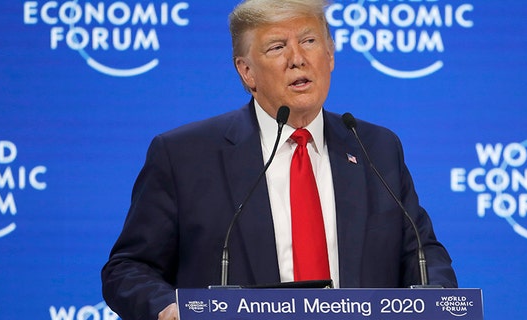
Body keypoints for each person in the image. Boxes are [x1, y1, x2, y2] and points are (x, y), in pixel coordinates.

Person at [101, 0, 458, 319]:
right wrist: (167, 308)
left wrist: (438, 300)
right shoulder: (184, 155)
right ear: (247, 72)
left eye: (309, 41)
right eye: (277, 47)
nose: (297, 58)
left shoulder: (375, 147)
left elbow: (422, 254)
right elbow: (129, 268)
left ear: (330, 54)